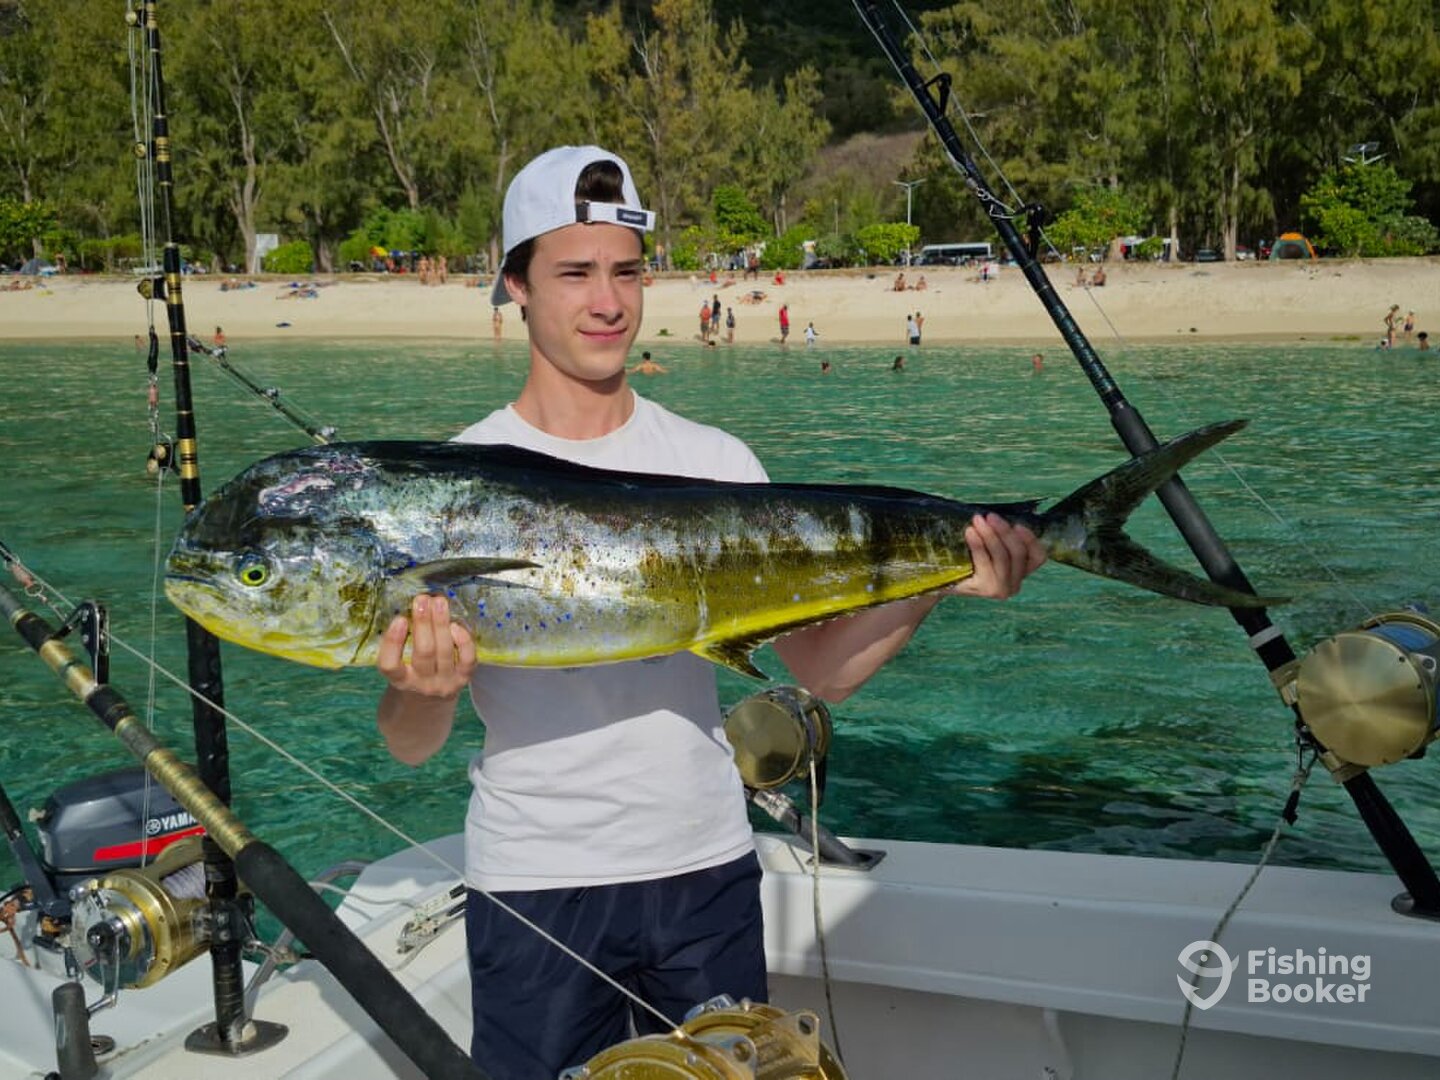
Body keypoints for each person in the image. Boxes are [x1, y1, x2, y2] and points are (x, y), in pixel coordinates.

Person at [373, 146, 1044, 1079]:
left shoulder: (717, 464)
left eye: (626, 272)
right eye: (575, 273)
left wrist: (939, 580)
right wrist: (424, 689)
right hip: (534, 883)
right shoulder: (452, 486)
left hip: (705, 873)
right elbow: (409, 744)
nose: (608, 302)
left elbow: (822, 672)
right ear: (515, 285)